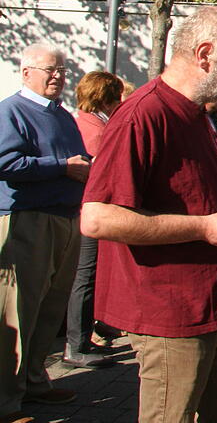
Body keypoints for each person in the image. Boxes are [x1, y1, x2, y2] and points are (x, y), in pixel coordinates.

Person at [80, 6, 217, 423]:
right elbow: (97, 218)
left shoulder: (197, 115)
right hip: (171, 316)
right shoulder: (143, 114)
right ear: (203, 54)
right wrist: (204, 227)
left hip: (213, 306)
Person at [0, 44, 91, 421]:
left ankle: (35, 381)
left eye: (62, 70)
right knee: (18, 312)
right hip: (28, 219)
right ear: (26, 73)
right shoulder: (12, 111)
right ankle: (6, 401)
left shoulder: (63, 115)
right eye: (50, 70)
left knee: (50, 308)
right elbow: (5, 162)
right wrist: (61, 167)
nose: (58, 76)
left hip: (66, 219)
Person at [64, 70, 125, 369]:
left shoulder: (92, 122)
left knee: (92, 274)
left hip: (92, 210)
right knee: (85, 277)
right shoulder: (93, 128)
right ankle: (76, 344)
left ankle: (89, 332)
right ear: (106, 97)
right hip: (91, 211)